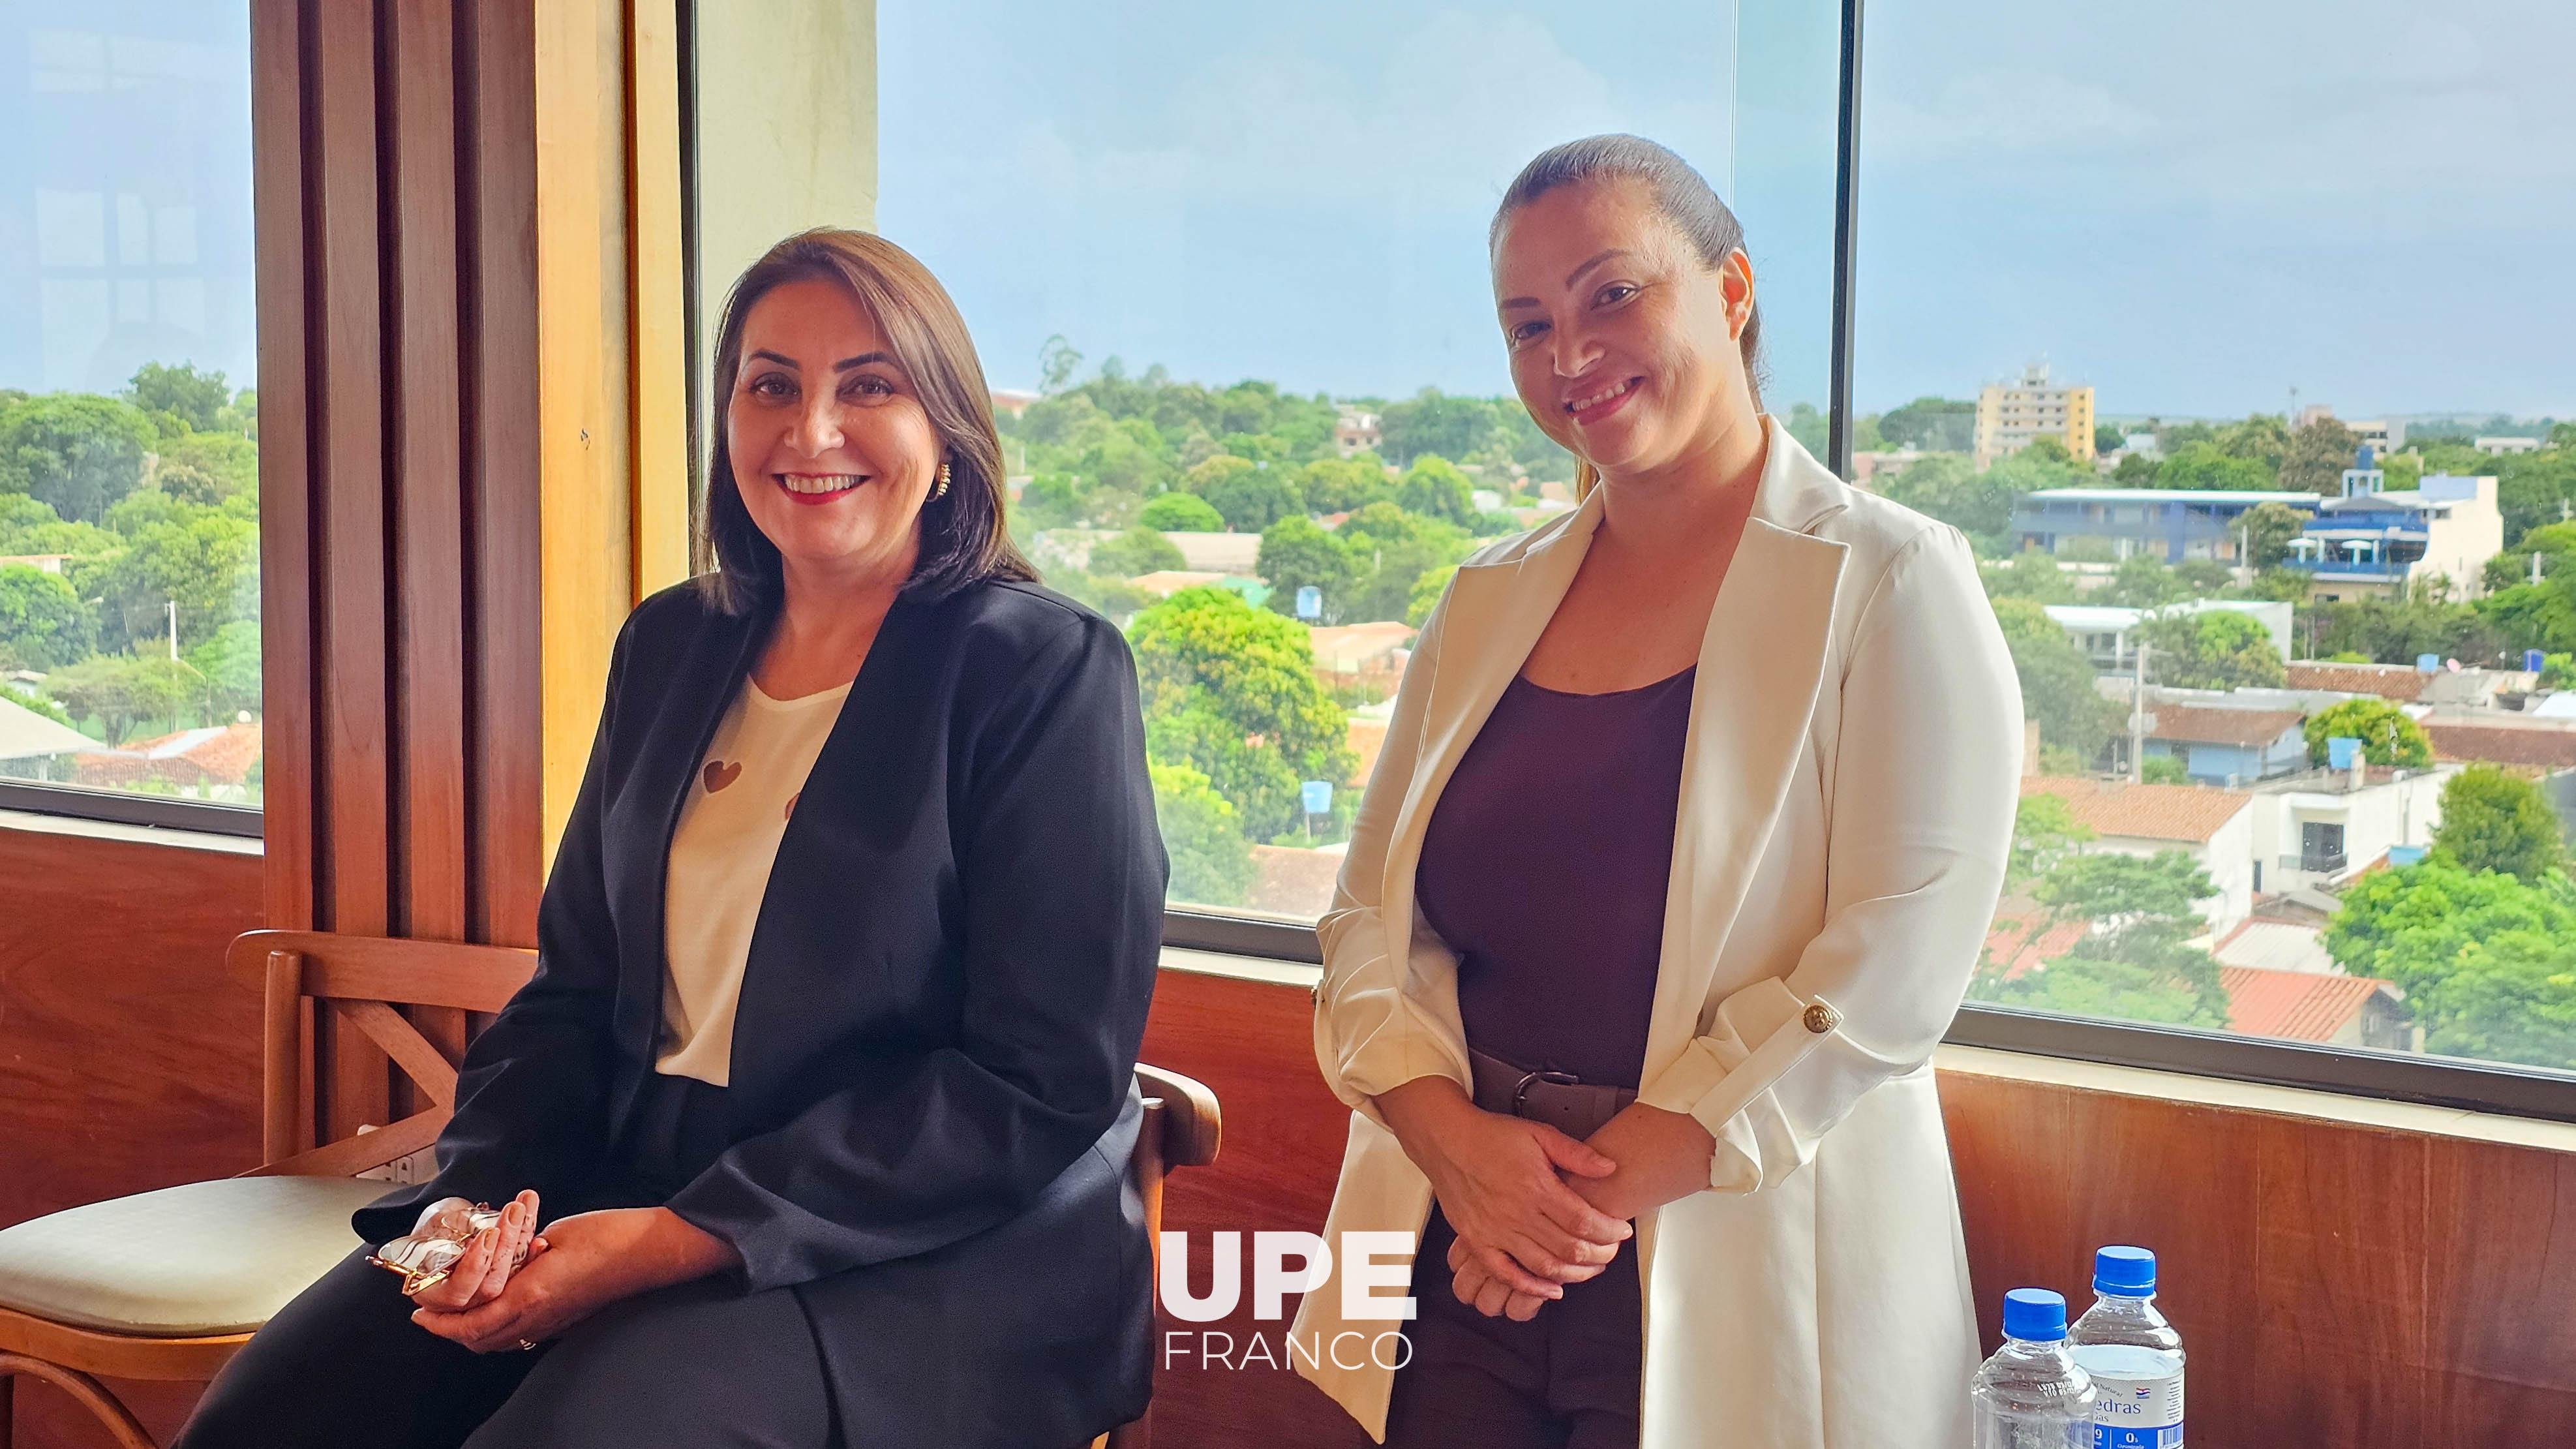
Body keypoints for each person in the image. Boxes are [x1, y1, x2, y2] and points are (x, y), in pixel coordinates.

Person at [178, 229, 1168, 1449]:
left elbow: (1040, 1078)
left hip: (922, 1247)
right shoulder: (670, 644)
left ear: (948, 431)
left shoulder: (1045, 670)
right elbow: (576, 988)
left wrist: (674, 1238)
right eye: (771, 385)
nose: (811, 431)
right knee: (274, 1419)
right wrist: (478, 1207)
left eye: (869, 384)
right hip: (622, 1175)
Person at [1291, 135, 2023, 1449]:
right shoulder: (1484, 597)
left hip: (1732, 1228)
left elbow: (1895, 964)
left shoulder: (1892, 579)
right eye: (1527, 324)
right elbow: (1365, 923)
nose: (1569, 352)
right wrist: (1457, 1148)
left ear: (1730, 289)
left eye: (1611, 294)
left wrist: (1583, 1200)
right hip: (1466, 1244)